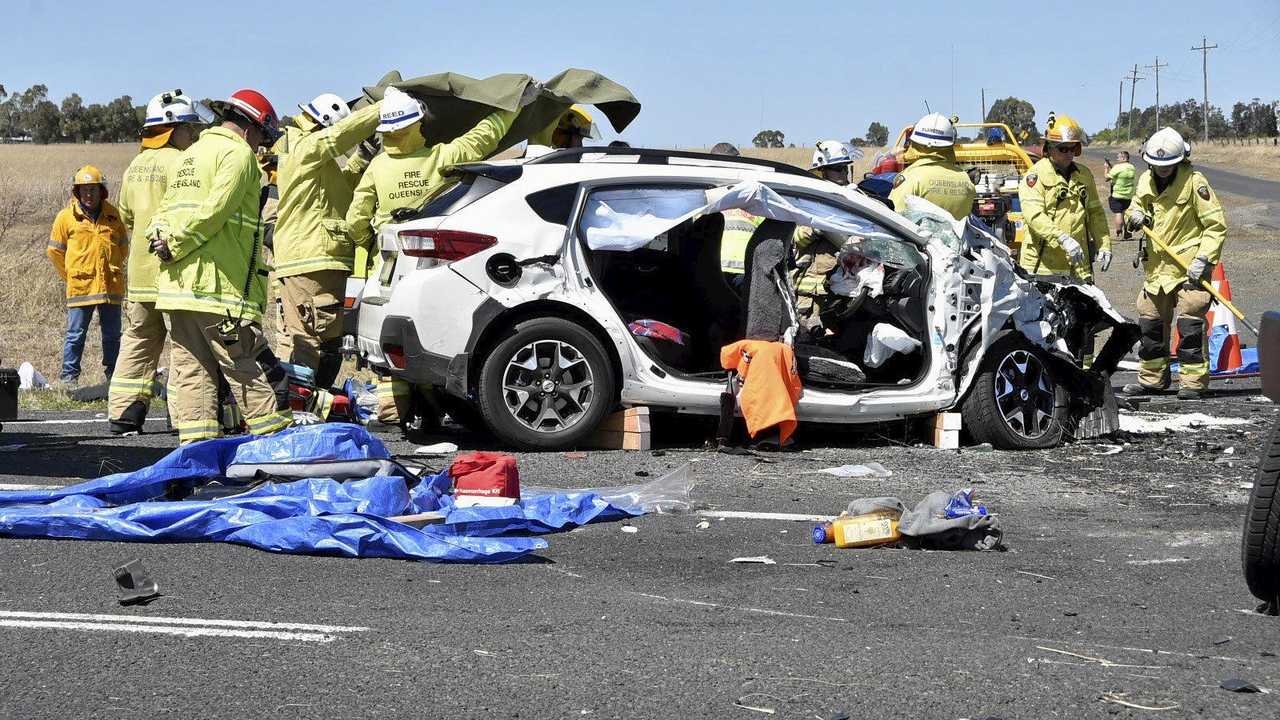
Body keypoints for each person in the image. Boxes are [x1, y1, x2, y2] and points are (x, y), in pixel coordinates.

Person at [346, 86, 518, 426]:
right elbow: (480, 138)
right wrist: (511, 107)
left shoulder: (378, 167)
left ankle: (394, 412)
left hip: (387, 262)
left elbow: (355, 219)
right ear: (419, 123)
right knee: (431, 334)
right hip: (433, 262)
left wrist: (371, 239)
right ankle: (432, 409)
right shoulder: (441, 157)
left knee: (388, 341)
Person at [145, 89, 293, 444]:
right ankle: (278, 452)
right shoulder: (238, 155)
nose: (260, 146)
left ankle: (196, 457)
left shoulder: (191, 154)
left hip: (178, 291)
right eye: (261, 137)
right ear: (251, 128)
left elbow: (163, 213)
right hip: (218, 290)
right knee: (243, 369)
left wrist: (163, 243)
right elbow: (215, 211)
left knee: (193, 376)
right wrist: (178, 243)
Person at [108, 90, 211, 434]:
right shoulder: (182, 163)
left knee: (137, 341)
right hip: (172, 273)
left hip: (139, 274)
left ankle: (124, 413)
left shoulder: (134, 166)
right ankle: (182, 417)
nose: (192, 135)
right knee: (183, 347)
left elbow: (126, 216)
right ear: (172, 128)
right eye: (188, 128)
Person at [271, 92, 383, 389]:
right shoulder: (306, 145)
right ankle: (305, 405)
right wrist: (385, 108)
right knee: (314, 342)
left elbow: (337, 193)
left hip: (307, 258)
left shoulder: (308, 156)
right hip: (312, 258)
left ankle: (306, 402)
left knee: (318, 339)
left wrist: (361, 159)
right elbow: (340, 136)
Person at [1122, 127, 1225, 400]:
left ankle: (1192, 383)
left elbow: (1215, 226)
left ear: (1181, 160)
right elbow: (1136, 205)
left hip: (1189, 265)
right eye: (1157, 165)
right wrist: (1135, 215)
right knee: (1150, 324)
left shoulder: (1195, 182)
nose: (1162, 169)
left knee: (1190, 326)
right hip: (1157, 267)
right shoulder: (1145, 180)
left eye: (1168, 165)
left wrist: (1204, 260)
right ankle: (1152, 380)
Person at [47, 165, 128, 387]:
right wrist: (71, 276)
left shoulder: (113, 215)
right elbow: (54, 252)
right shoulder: (66, 218)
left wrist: (111, 268)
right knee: (75, 335)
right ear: (77, 192)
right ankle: (69, 379)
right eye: (84, 190)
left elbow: (123, 247)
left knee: (113, 336)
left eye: (92, 190)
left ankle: (114, 377)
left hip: (110, 287)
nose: (88, 195)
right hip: (81, 288)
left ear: (101, 191)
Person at [1016, 113, 1111, 281]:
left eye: (1073, 148)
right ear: (1049, 148)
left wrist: (1104, 245)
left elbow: (1095, 213)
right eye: (1063, 149)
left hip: (1078, 266)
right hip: (1043, 268)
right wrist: (1062, 238)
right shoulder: (1034, 177)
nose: (1069, 154)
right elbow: (1035, 216)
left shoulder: (1084, 175)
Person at [888, 112, 976, 221]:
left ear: (915, 143)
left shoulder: (910, 178)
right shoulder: (966, 180)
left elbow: (893, 219)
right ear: (950, 145)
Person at [1104, 150, 1136, 238]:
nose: (1117, 159)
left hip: (1117, 194)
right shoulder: (1132, 167)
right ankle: (1127, 232)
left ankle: (1118, 229)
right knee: (1125, 213)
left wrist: (1106, 168)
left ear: (1124, 158)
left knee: (1118, 213)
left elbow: (1107, 178)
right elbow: (1121, 174)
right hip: (1128, 195)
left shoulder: (1117, 167)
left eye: (1118, 157)